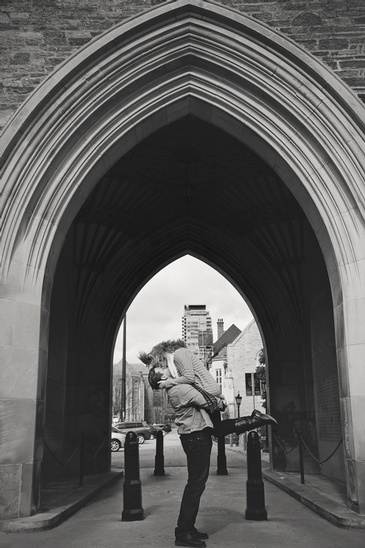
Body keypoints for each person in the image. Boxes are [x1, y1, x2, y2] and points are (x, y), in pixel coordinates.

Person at [148, 365, 277, 548]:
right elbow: (206, 401)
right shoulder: (178, 389)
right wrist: (221, 403)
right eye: (162, 369)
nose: (166, 367)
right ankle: (183, 532)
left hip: (196, 435)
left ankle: (188, 528)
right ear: (161, 379)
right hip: (197, 438)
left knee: (196, 483)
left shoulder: (176, 387)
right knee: (195, 485)